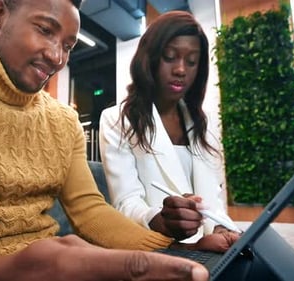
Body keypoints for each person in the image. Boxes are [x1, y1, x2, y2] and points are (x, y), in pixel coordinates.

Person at [0, 1, 212, 280]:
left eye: (68, 45)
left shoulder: (63, 121)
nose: (57, 57)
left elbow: (91, 213)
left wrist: (176, 251)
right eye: (45, 30)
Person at [99, 11, 240, 247]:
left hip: (208, 247)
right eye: (170, 57)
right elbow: (126, 203)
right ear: (150, 59)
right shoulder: (117, 120)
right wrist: (162, 220)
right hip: (156, 249)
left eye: (192, 61)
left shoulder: (204, 125)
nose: (181, 70)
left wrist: (221, 227)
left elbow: (214, 202)